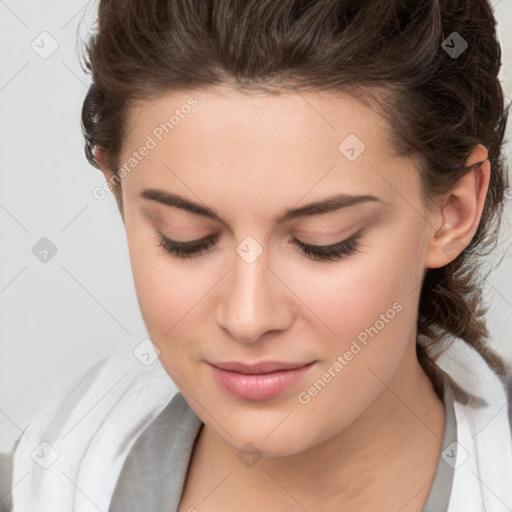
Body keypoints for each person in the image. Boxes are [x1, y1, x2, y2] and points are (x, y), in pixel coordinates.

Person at [3, 0, 512, 511]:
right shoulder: (43, 477)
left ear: (452, 210)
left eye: (324, 241)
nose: (248, 319)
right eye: (186, 238)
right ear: (118, 189)